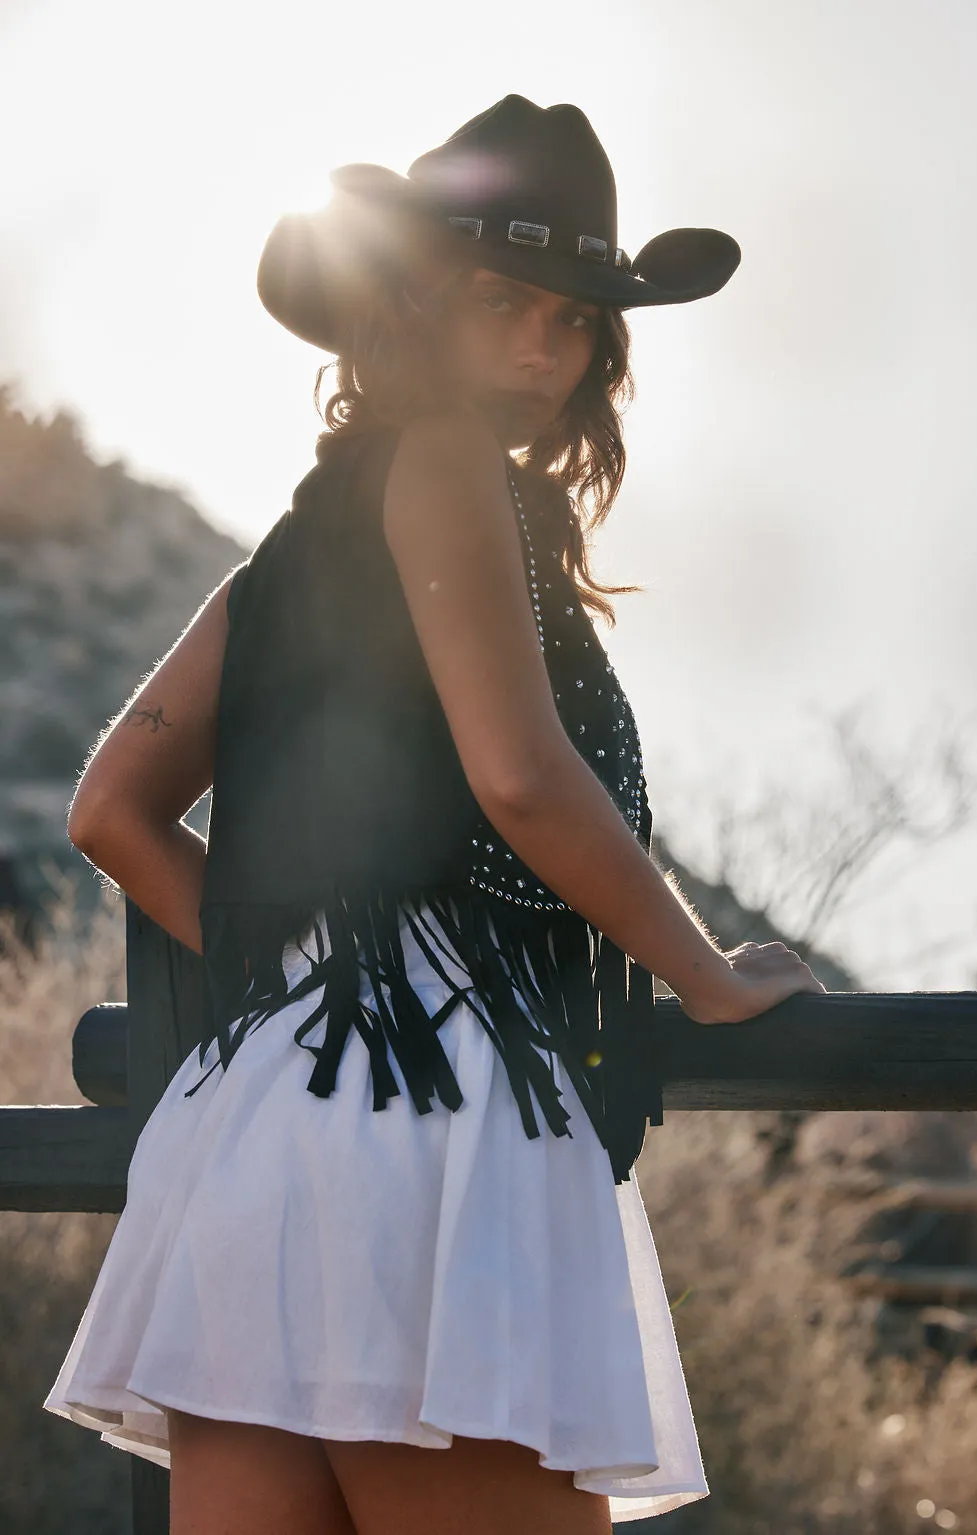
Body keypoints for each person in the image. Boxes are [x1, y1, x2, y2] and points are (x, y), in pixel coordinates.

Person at [43, 95, 826, 1534]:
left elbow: (112, 808)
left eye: (579, 318)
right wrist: (707, 975)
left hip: (247, 1141)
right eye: (503, 302)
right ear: (414, 308)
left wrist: (294, 979)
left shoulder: (297, 542)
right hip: (436, 1126)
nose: (546, 345)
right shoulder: (455, 465)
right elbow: (521, 778)